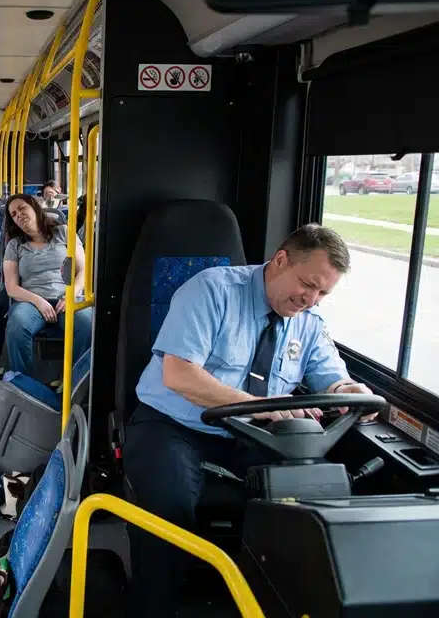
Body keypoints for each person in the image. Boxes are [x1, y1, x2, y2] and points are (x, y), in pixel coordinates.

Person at [122, 224, 377, 617]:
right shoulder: (212, 290)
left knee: (315, 496)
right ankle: (155, 606)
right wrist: (260, 405)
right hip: (172, 424)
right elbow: (179, 375)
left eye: (323, 293)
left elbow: (330, 376)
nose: (311, 300)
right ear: (281, 261)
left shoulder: (308, 322)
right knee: (167, 504)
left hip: (255, 435)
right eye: (307, 285)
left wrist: (349, 391)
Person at [3, 193, 92, 375]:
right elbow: (11, 287)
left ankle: (75, 381)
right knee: (17, 326)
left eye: (22, 208)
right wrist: (39, 301)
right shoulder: (15, 245)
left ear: (35, 208)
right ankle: (23, 382)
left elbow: (83, 270)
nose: (19, 215)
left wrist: (71, 295)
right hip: (31, 302)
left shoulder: (64, 232)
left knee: (87, 324)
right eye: (14, 214)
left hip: (67, 297)